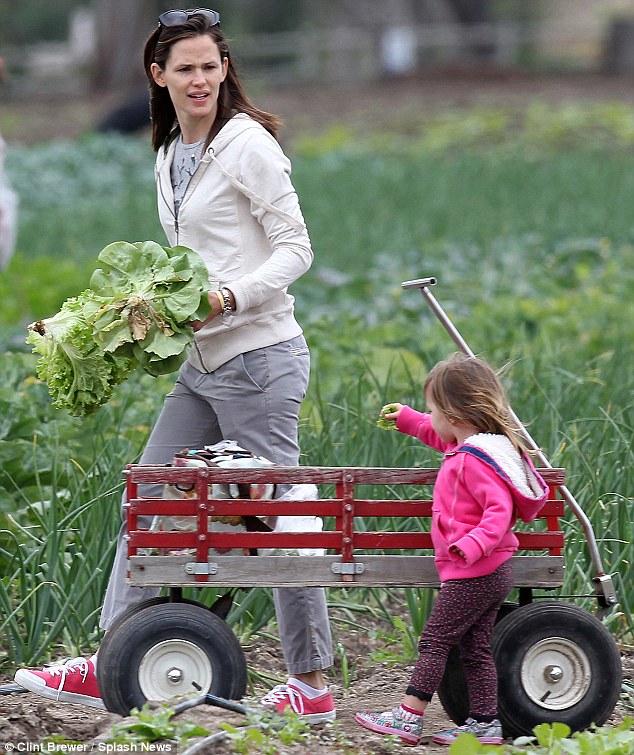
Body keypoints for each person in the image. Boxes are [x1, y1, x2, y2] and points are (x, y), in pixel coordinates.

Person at [14, 8, 335, 723]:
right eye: (185, 68)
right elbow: (191, 262)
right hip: (202, 363)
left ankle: (312, 684)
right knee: (149, 498)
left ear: (226, 71)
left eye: (210, 66)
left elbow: (296, 248)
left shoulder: (247, 144)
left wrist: (228, 295)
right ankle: (114, 657)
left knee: (281, 517)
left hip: (259, 360)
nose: (200, 80)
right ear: (157, 76)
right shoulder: (168, 154)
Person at [355, 353, 548, 746]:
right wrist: (409, 420)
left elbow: (498, 510)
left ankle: (409, 715)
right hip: (487, 570)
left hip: (474, 570)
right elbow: (437, 432)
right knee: (474, 649)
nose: (430, 418)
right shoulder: (475, 447)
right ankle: (484, 724)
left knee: (434, 642)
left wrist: (471, 545)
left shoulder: (476, 461)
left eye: (432, 411)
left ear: (456, 415)